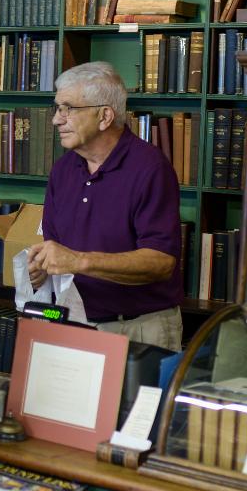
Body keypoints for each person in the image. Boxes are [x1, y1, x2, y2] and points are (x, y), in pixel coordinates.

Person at [28, 61, 184, 351]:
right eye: (57, 108)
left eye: (67, 109)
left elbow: (161, 262)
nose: (56, 120)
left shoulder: (150, 169)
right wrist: (43, 269)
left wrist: (79, 261)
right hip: (74, 324)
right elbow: (56, 247)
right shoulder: (62, 170)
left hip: (138, 329)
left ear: (104, 116)